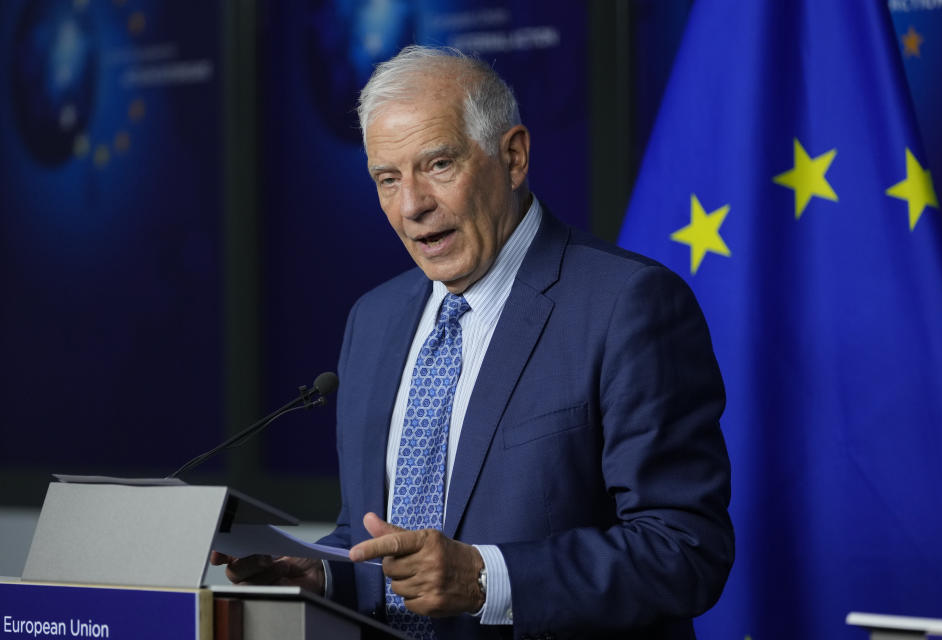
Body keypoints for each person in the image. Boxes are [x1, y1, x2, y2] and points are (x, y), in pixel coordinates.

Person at [213, 45, 734, 639]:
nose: (412, 206)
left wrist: (487, 579)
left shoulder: (629, 305)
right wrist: (325, 574)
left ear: (513, 157)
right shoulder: (373, 319)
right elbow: (381, 537)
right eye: (388, 179)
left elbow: (686, 550)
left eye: (438, 165)